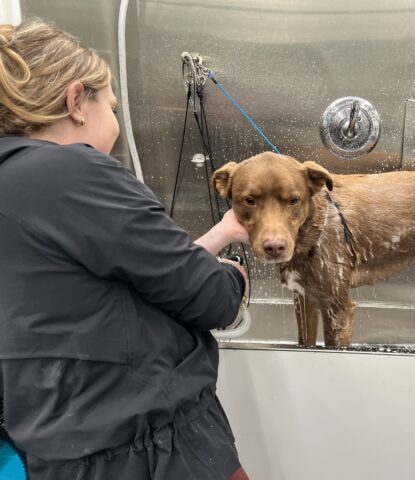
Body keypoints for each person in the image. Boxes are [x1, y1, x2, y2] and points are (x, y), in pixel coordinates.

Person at [0, 18, 252, 480]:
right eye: (111, 107)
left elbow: (104, 292)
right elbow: (208, 296)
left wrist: (218, 233)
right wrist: (234, 274)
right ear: (77, 102)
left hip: (54, 456)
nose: (115, 125)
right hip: (152, 453)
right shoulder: (70, 172)